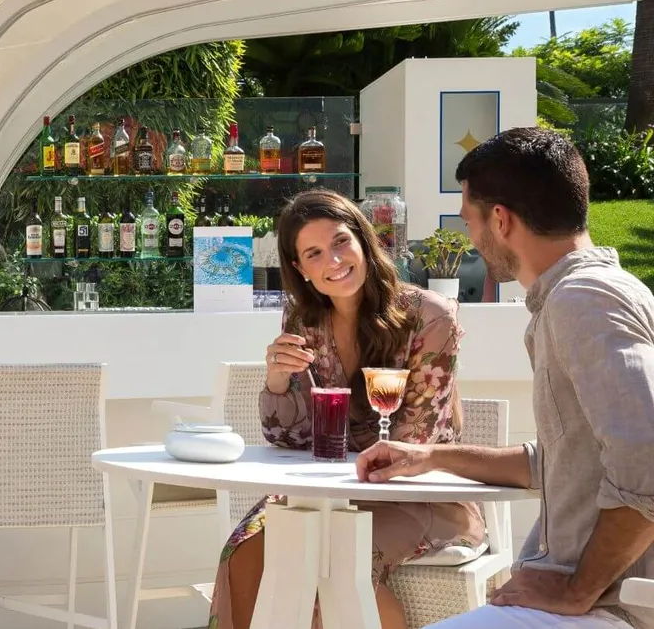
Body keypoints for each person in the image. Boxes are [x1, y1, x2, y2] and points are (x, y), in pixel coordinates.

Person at [358, 127, 654, 629]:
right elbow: (567, 462)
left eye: (469, 220)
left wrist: (579, 590)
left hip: (612, 609)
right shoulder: (597, 292)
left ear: (501, 219)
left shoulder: (582, 301)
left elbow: (646, 457)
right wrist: (428, 457)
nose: (471, 237)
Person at [208, 189, 483, 629]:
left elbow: (414, 443)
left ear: (362, 239)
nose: (333, 260)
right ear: (300, 268)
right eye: (314, 253)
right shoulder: (304, 323)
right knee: (243, 550)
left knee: (334, 557)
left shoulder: (430, 317)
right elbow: (291, 440)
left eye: (340, 242)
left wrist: (333, 484)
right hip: (324, 494)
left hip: (419, 496)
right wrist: (277, 380)